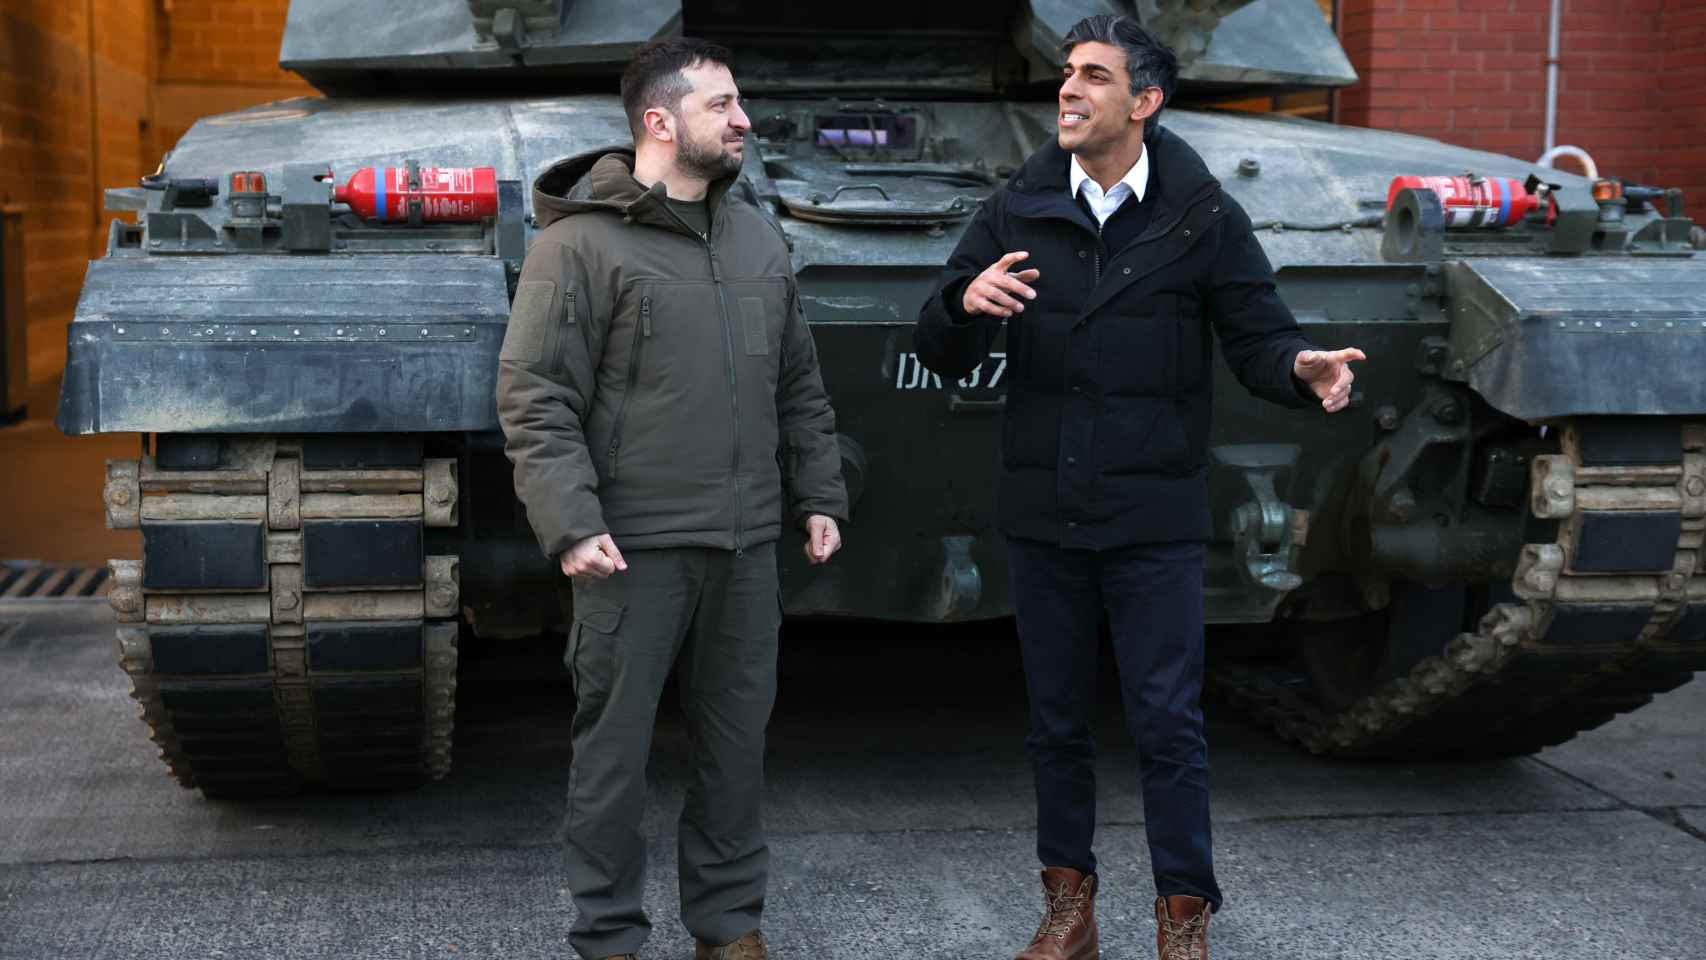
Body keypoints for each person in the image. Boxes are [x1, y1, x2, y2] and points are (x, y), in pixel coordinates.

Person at [914, 15, 1364, 960]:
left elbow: (1256, 332)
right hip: (1045, 507)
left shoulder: (1200, 212)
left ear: (1145, 103)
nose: (1068, 91)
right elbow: (939, 343)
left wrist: (1302, 366)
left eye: (1093, 77)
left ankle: (1181, 915)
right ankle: (1068, 913)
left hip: (1152, 509)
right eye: (1066, 74)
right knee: (1057, 721)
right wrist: (963, 305)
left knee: (1167, 722)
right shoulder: (1020, 204)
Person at [495, 37, 848, 960]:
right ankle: (608, 934)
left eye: (740, 104)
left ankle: (728, 926)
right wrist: (571, 524)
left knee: (735, 750)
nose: (743, 120)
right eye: (722, 105)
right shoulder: (578, 245)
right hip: (631, 547)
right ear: (660, 122)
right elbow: (536, 393)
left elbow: (798, 385)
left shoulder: (757, 236)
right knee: (612, 757)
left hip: (745, 545)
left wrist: (819, 493)